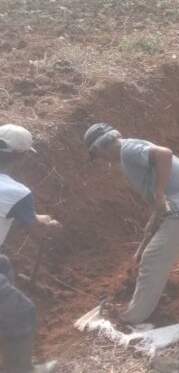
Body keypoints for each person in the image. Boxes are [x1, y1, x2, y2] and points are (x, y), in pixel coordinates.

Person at [84, 124, 179, 325]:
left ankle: (133, 315)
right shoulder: (130, 148)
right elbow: (157, 192)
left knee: (152, 257)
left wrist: (159, 194)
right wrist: (154, 218)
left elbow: (164, 155)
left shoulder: (128, 151)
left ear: (99, 149)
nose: (103, 161)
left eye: (98, 156)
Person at [0, 125, 60, 373]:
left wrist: (37, 218)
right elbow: (37, 230)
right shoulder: (16, 191)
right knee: (23, 312)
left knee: (2, 263)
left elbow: (19, 214)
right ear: (22, 156)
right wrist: (50, 226)